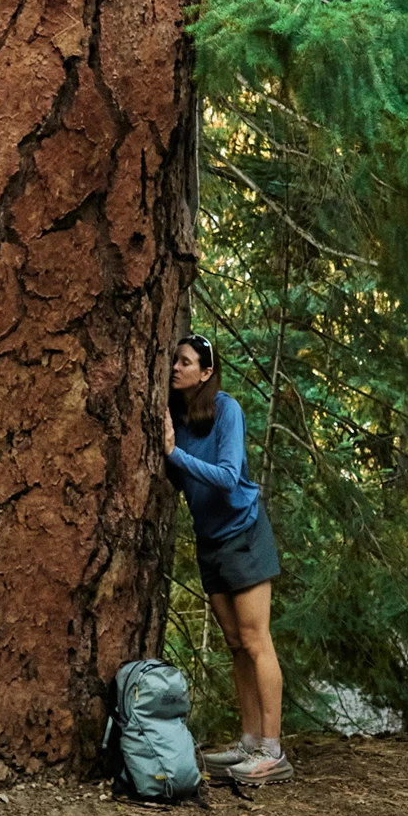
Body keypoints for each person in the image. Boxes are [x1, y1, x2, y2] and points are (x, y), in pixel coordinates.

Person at [164, 334, 291, 783]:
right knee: (236, 644)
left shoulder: (226, 410)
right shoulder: (176, 419)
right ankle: (250, 741)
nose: (175, 368)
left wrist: (173, 453)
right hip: (210, 541)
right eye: (174, 361)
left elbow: (228, 475)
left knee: (257, 641)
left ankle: (273, 752)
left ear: (206, 371)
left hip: (243, 535)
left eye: (185, 362)